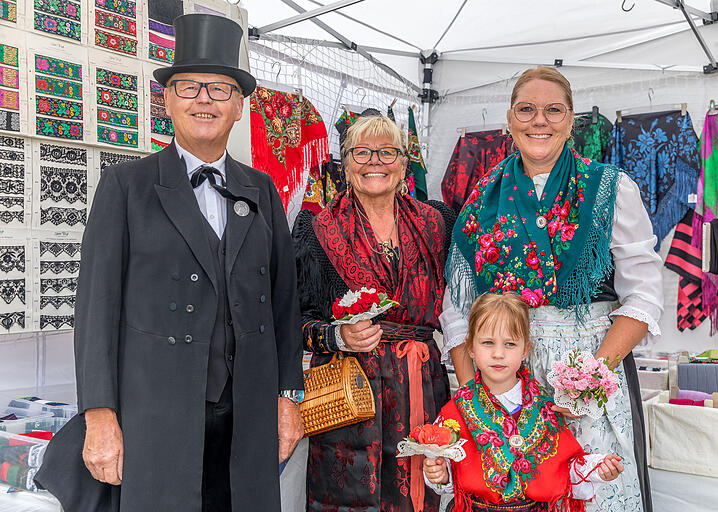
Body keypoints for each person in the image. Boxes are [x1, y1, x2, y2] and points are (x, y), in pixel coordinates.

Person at [39, 14, 304, 512]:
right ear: (167, 99)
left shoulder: (262, 189)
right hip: (155, 414)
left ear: (240, 106)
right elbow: (96, 312)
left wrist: (288, 398)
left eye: (220, 89)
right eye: (189, 87)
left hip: (246, 416)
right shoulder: (125, 187)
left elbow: (285, 309)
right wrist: (99, 416)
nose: (204, 99)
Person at [440, 66, 663, 512]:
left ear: (571, 119)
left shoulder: (611, 189)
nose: (538, 120)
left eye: (552, 110)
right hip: (506, 377)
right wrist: (476, 401)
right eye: (526, 109)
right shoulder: (481, 197)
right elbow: (457, 311)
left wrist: (591, 378)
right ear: (509, 119)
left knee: (595, 489)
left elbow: (644, 294)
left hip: (592, 369)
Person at [293, 115, 453, 511]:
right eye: (361, 153)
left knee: (423, 488)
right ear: (345, 164)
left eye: (387, 152)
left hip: (421, 384)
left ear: (404, 162)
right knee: (350, 497)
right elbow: (292, 320)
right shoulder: (316, 228)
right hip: (349, 394)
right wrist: (336, 337)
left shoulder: (437, 222)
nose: (374, 162)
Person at [424, 293, 624, 512]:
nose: (498, 354)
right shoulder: (456, 411)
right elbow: (449, 473)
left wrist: (598, 468)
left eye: (510, 344)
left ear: (525, 350)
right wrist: (440, 474)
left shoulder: (545, 409)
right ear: (470, 347)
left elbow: (562, 469)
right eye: (488, 343)